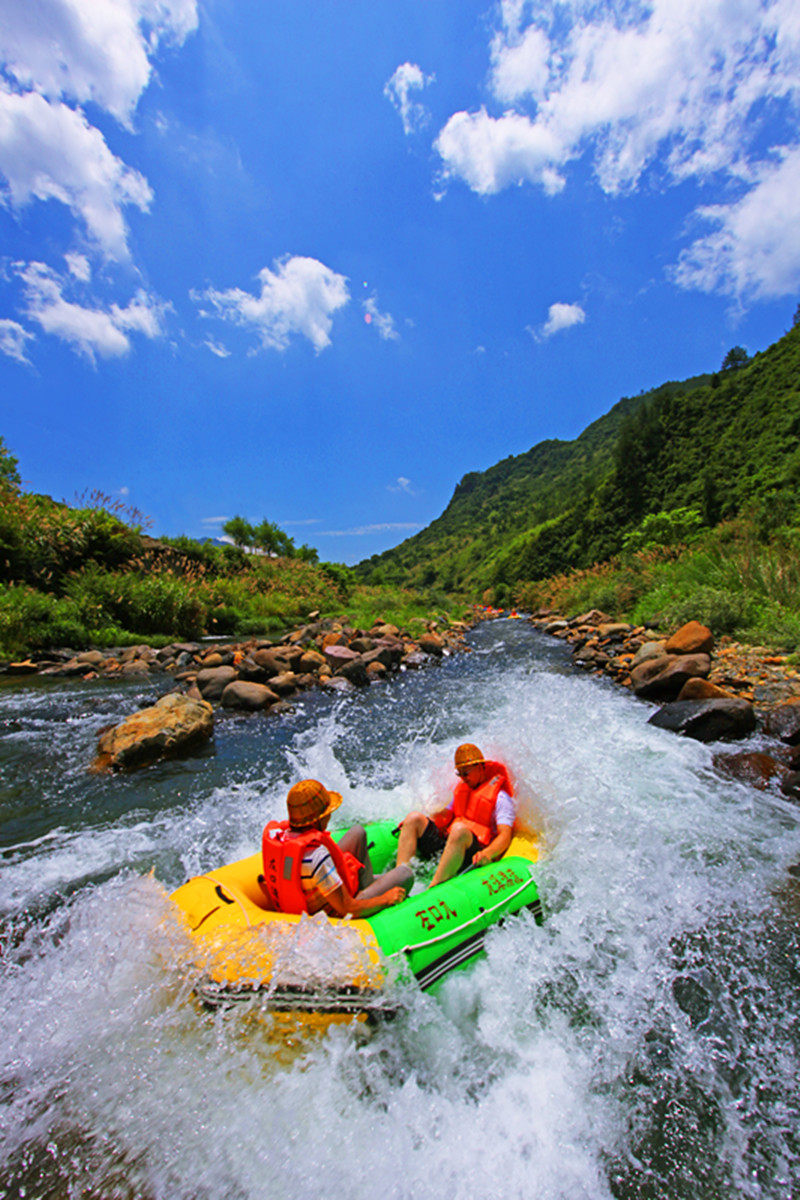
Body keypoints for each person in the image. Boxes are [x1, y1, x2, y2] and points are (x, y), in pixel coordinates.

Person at [261, 778, 413, 917]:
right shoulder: (316, 856)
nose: (330, 816)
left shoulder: (283, 838)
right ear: (318, 819)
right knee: (405, 874)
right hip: (337, 911)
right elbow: (346, 907)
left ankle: (369, 885)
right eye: (327, 813)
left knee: (357, 832)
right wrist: (384, 899)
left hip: (315, 895)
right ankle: (370, 893)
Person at [395, 743, 516, 887]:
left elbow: (505, 835)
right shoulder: (462, 789)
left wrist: (488, 853)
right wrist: (418, 823)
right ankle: (399, 881)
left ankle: (433, 888)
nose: (463, 778)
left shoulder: (501, 798)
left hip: (473, 852)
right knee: (414, 818)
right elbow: (445, 816)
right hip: (451, 845)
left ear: (480, 767)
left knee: (459, 830)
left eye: (466, 773)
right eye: (459, 773)